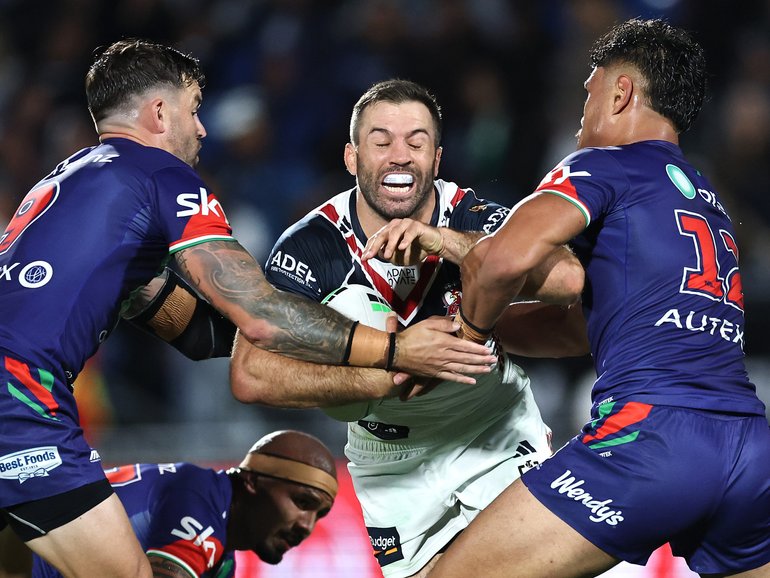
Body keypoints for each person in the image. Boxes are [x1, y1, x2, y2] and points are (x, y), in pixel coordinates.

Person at [0, 40, 498, 578]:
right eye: (194, 110)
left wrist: (327, 359)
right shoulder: (162, 175)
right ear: (160, 113)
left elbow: (202, 334)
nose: (202, 129)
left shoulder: (69, 181)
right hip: (20, 400)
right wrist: (395, 349)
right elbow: (259, 313)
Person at [429, 18, 770, 578]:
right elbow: (583, 331)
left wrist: (464, 336)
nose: (581, 113)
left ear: (621, 93)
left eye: (589, 93)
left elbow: (499, 261)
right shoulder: (708, 201)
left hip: (652, 435)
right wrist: (496, 335)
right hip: (748, 450)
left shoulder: (605, 164)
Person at [229, 79, 587, 577]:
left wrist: (448, 243)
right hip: (389, 457)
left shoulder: (469, 216)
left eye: (416, 143)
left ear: (437, 160)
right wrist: (391, 363)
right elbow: (249, 374)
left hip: (493, 430)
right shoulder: (312, 246)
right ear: (352, 157)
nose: (400, 155)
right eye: (381, 142)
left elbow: (569, 279)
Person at [28, 429, 336, 577]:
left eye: (319, 514)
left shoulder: (221, 555)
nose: (307, 526)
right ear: (253, 481)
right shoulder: (197, 498)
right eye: (302, 502)